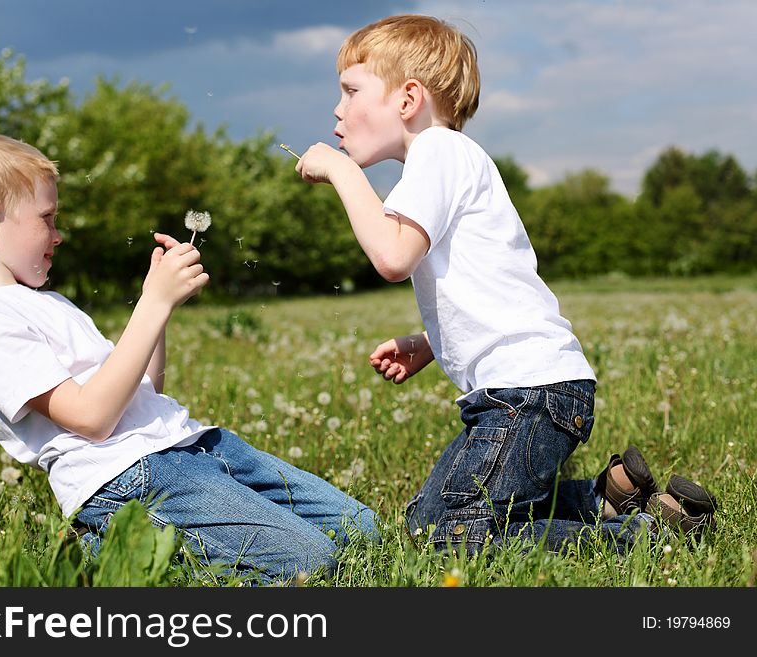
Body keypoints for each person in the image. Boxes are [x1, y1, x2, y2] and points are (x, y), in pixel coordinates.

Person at [293, 14, 716, 555]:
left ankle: (652, 536)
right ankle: (605, 498)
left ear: (407, 99)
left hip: (526, 396)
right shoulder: (444, 162)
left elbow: (393, 257)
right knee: (427, 520)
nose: (337, 108)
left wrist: (342, 172)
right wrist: (430, 343)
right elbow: (487, 286)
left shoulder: (438, 152)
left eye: (351, 91)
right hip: (525, 392)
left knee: (454, 538)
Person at [0, 131, 378, 584]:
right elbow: (91, 418)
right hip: (128, 477)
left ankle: (136, 547)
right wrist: (152, 305)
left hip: (194, 447)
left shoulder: (48, 302)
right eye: (48, 218)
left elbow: (145, 391)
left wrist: (154, 303)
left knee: (364, 533)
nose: (58, 236)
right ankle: (115, 553)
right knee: (312, 564)